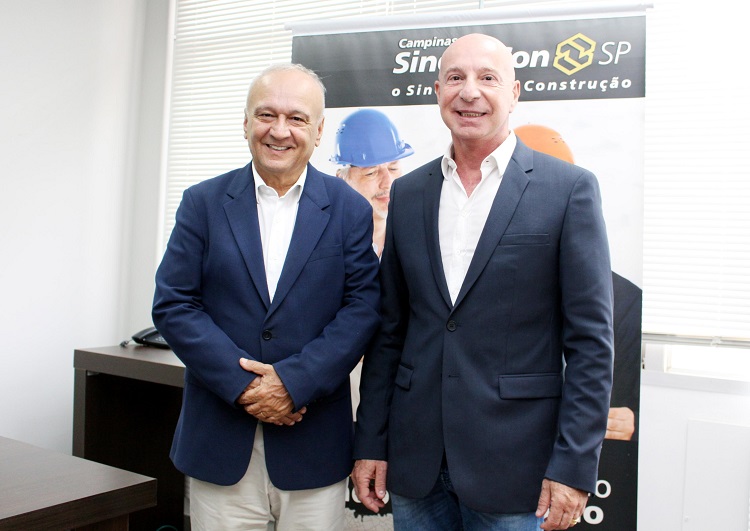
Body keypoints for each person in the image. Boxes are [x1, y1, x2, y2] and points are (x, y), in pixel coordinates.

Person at [352, 34, 614, 531]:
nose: (469, 91)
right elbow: (389, 333)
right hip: (416, 464)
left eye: (487, 78)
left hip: (518, 469)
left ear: (514, 93)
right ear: (437, 92)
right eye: (455, 77)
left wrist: (574, 464)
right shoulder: (409, 193)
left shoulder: (568, 190)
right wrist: (371, 442)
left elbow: (590, 343)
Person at [152, 63, 381, 531]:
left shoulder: (350, 211)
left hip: (313, 442)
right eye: (266, 115)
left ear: (318, 131)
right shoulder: (202, 203)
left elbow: (362, 310)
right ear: (245, 123)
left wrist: (292, 384)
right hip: (220, 440)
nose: (279, 131)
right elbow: (174, 304)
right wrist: (247, 387)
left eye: (296, 118)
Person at [332, 108, 414, 258]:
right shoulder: (326, 246)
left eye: (393, 168)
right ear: (342, 179)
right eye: (371, 173)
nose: (388, 183)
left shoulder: (416, 241)